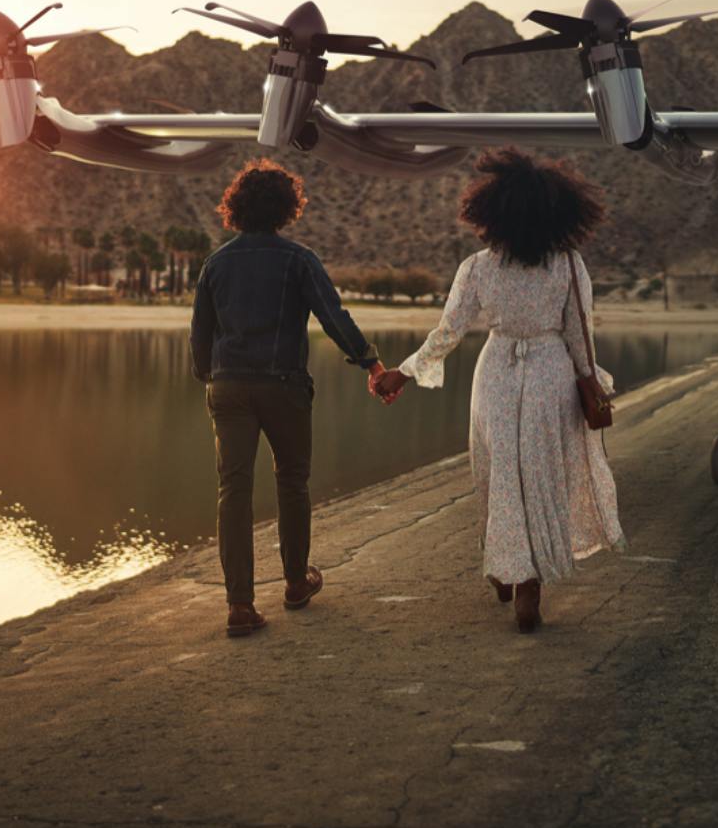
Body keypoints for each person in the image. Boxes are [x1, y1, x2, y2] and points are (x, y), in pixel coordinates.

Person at [372, 148, 623, 633]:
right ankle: (528, 584)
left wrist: (402, 373)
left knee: (498, 474)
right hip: (552, 371)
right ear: (557, 212)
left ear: (492, 213)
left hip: (496, 374)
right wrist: (593, 382)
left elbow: (448, 332)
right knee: (540, 477)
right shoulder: (569, 265)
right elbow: (579, 336)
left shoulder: (478, 268)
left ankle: (507, 567)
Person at [191, 158, 386, 637]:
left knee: (232, 491)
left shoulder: (216, 263)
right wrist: (371, 363)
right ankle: (297, 584)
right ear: (286, 209)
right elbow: (333, 317)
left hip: (229, 385)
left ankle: (240, 605)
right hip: (283, 387)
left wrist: (211, 379)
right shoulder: (298, 259)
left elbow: (200, 336)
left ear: (235, 207)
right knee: (291, 482)